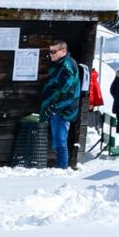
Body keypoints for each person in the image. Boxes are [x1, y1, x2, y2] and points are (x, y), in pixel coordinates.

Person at [37, 39, 83, 171]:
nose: (51, 54)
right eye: (50, 51)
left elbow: (65, 90)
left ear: (63, 51)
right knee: (58, 141)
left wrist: (53, 104)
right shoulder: (61, 64)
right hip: (59, 107)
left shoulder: (66, 66)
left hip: (63, 109)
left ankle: (61, 169)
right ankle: (61, 167)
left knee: (59, 142)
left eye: (54, 51)